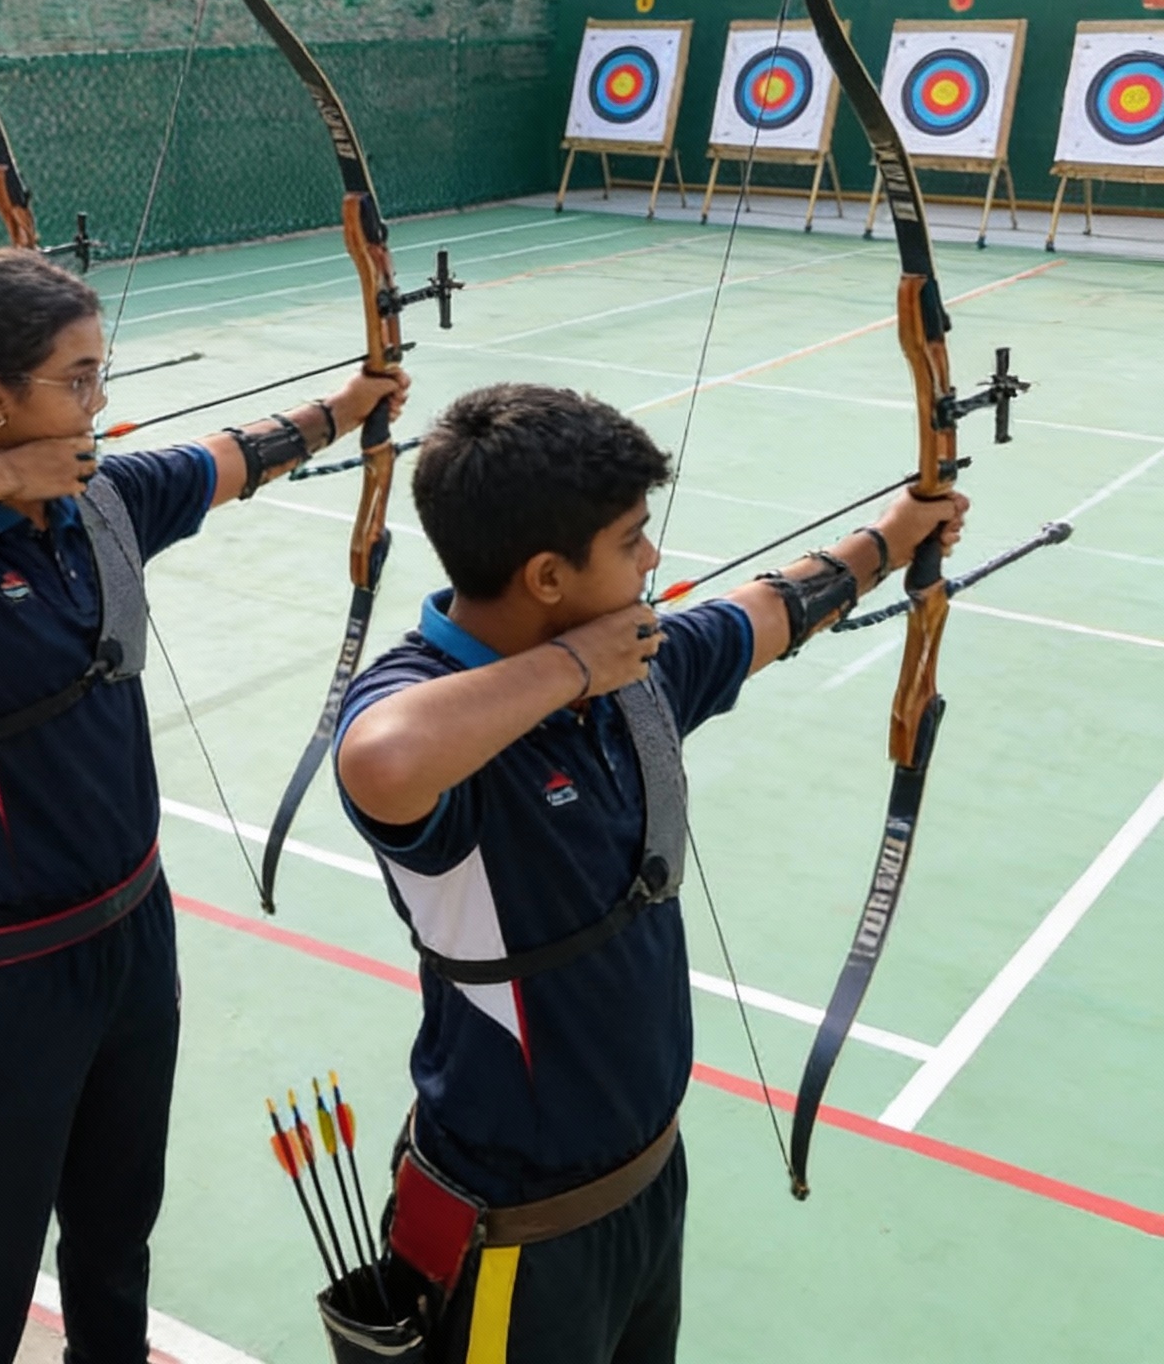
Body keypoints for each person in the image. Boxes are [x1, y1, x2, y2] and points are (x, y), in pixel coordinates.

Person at [0, 245, 410, 1364]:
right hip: (3, 962)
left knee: (115, 1240)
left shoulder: (99, 499)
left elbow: (231, 457)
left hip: (132, 929)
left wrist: (346, 402)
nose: (98, 400)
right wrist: (3, 477)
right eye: (77, 377)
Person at [332, 383, 968, 1364]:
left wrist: (890, 536)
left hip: (643, 1185)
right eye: (631, 539)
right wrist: (571, 667)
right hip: (514, 1230)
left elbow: (766, 611)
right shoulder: (426, 698)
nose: (652, 558)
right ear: (547, 575)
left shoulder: (629, 666)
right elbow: (377, 759)